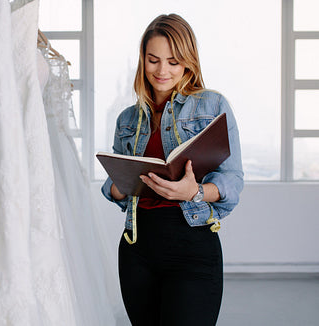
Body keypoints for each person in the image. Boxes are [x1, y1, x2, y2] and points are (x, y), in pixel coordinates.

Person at [101, 14, 244, 325]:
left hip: (192, 246)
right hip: (137, 249)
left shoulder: (212, 106)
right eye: (153, 60)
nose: (162, 71)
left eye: (173, 61)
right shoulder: (127, 119)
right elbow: (116, 187)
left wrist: (195, 191)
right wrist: (117, 186)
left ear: (188, 62)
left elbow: (233, 180)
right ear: (142, 60)